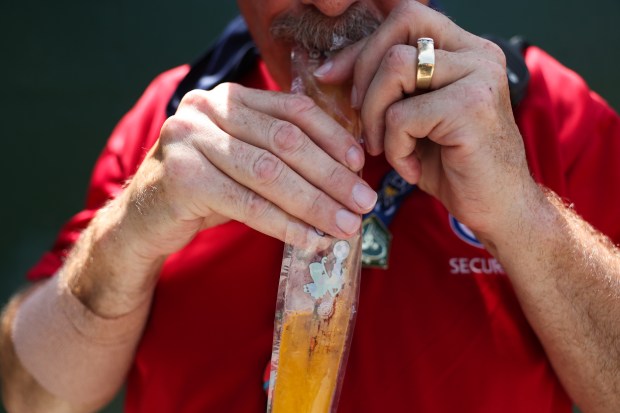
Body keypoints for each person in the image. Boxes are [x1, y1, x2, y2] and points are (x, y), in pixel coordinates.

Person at [1, 0, 619, 412]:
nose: (328, 3)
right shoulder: (173, 121)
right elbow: (29, 396)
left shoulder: (548, 114)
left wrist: (522, 213)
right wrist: (130, 230)